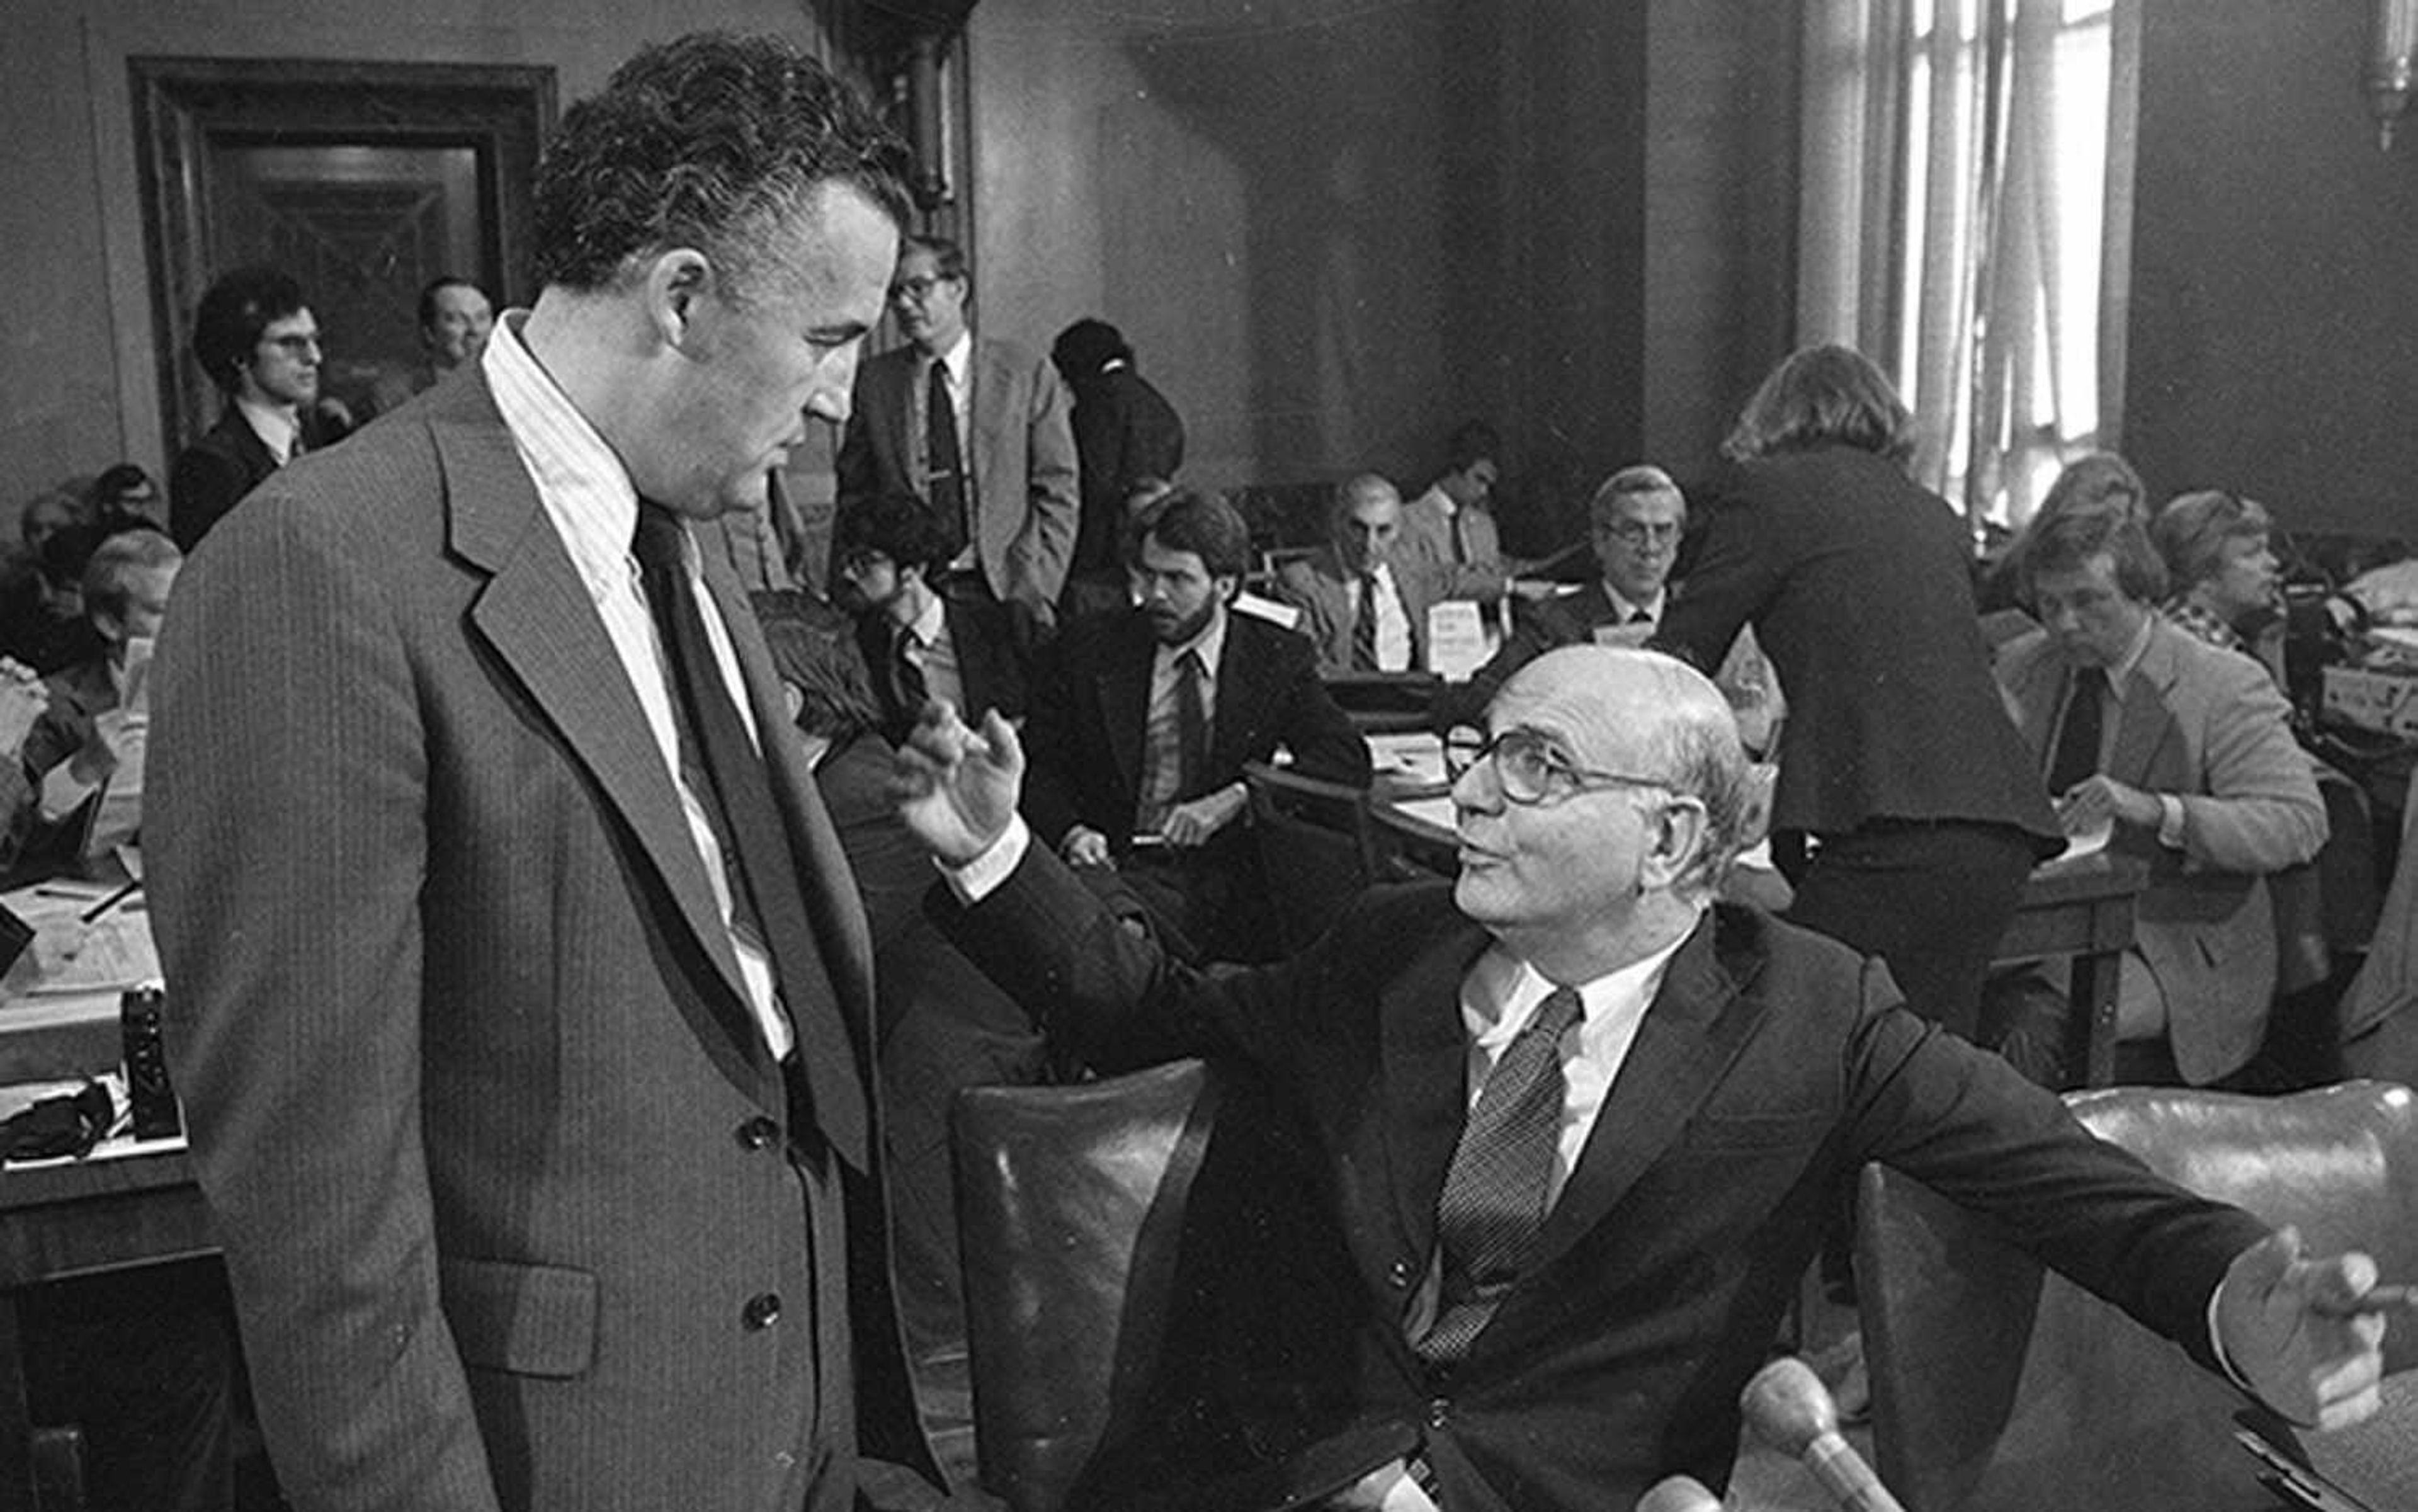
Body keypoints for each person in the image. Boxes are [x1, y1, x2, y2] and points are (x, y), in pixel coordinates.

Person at [893, 643, 2394, 1512]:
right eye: (1483, 752)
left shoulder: (1813, 1013)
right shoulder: (1384, 953)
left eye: (1534, 769)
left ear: (1672, 843)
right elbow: (1158, 1004)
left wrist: (2234, 1293)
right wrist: (990, 853)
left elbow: (2065, 1186)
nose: (1471, 790)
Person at [146, 33, 941, 1512]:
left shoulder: (682, 536)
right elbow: (319, 1213)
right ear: (682, 295)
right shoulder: (313, 566)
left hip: (798, 1428)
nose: (843, 397)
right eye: (831, 339)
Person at [1657, 344, 2061, 1037]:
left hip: (1898, 832)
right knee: (1912, 1068)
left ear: (1775, 417)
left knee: (1790, 1049)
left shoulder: (1769, 491)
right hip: (1996, 831)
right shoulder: (1933, 513)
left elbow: (1677, 664)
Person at [1994, 508, 2325, 1086]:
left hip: (2171, 944)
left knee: (2024, 1026)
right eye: (2049, 605)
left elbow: (2297, 822)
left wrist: (2160, 810)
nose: (2065, 623)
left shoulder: (2221, 683)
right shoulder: (2027, 664)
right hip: (2040, 921)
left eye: (2088, 600)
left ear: (2141, 592)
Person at [1020, 485, 1368, 962]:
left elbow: (1345, 757)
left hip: (1230, 877)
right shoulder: (1089, 647)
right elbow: (1040, 768)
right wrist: (1073, 831)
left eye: (1178, 579)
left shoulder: (1275, 656)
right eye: (1148, 575)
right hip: (1115, 866)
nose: (1154, 595)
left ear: (1225, 585)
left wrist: (1238, 796)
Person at [835, 235, 1079, 649]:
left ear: (958, 288)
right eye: (896, 294)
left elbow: (1059, 488)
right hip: (913, 592)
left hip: (1007, 588)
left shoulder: (1024, 372)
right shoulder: (876, 383)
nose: (906, 305)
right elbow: (854, 495)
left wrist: (1039, 584)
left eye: (919, 288)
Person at [1436, 466, 1783, 753]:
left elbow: (1751, 731)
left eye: (1663, 532)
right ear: (1600, 542)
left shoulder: (1708, 620)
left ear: (1679, 542)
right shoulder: (1553, 622)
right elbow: (1475, 706)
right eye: (1633, 531)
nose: (1650, 549)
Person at [0, 527, 179, 870]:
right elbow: (18, 840)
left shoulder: (214, 694)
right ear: (110, 623)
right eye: (162, 610)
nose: (184, 621)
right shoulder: (53, 705)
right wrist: (82, 771)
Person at [832, 490, 1026, 744]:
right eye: (847, 561)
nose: (849, 574)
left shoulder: (1003, 628)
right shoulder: (861, 645)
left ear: (912, 570)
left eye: (864, 562)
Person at [168, 265, 324, 550]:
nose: (313, 357)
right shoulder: (210, 467)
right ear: (240, 357)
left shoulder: (326, 440)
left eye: (314, 340)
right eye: (290, 343)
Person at [1050, 317, 1185, 620]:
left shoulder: (1095, 406)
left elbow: (1089, 487)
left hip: (1102, 564)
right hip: (1155, 552)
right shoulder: (1158, 405)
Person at [1273, 474, 1450, 674]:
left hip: (1409, 697)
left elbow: (1461, 581)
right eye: (1358, 529)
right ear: (1337, 523)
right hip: (1339, 700)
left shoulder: (1413, 573)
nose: (1370, 545)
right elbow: (1305, 666)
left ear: (1399, 530)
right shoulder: (1301, 583)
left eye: (1383, 531)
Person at [2152, 488, 2289, 685]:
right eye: (2251, 553)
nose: (2273, 563)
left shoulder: (2180, 636)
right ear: (2204, 574)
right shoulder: (2197, 653)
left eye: (2266, 550)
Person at [370, 275, 497, 414]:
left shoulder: (509, 387)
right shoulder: (397, 396)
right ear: (430, 333)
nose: (475, 330)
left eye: (482, 318)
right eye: (458, 320)